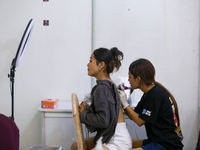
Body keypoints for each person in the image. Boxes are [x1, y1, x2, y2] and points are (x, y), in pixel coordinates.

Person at [70, 47, 132, 150]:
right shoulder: (106, 85)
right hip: (110, 136)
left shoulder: (103, 88)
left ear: (101, 65)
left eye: (90, 61)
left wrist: (83, 114)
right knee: (75, 147)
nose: (87, 64)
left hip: (116, 141)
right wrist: (86, 110)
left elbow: (103, 121)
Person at [120, 58, 184, 150]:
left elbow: (139, 121)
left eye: (130, 77)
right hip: (157, 140)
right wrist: (123, 103)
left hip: (167, 144)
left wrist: (125, 103)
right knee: (125, 143)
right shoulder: (149, 93)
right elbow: (133, 116)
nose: (128, 80)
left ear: (138, 79)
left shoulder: (155, 95)